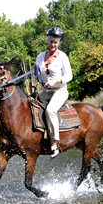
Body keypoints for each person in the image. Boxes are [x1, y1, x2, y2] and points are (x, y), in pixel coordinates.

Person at [34, 27, 73, 158]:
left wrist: (56, 80)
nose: (53, 44)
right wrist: (35, 73)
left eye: (55, 42)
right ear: (47, 41)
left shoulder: (62, 56)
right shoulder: (40, 56)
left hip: (60, 91)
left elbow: (69, 75)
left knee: (51, 110)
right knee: (30, 103)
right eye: (51, 41)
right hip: (46, 91)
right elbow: (37, 74)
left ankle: (54, 143)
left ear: (59, 43)